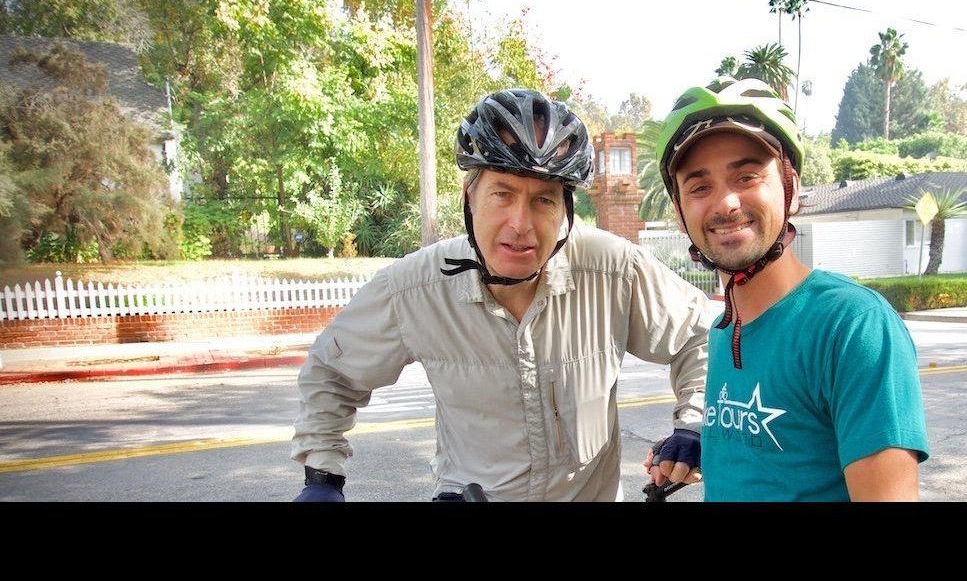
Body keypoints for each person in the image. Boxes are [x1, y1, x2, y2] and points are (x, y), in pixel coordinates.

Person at [291, 88, 711, 502]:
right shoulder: (414, 287)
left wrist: (693, 425)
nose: (520, 223)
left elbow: (702, 333)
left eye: (543, 200)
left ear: (564, 209)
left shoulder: (613, 270)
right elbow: (333, 371)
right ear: (469, 197)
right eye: (502, 194)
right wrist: (322, 480)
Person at [645, 76, 930, 501]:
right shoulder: (725, 330)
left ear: (790, 187)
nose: (725, 203)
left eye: (746, 176)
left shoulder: (852, 326)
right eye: (700, 186)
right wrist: (704, 445)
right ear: (680, 211)